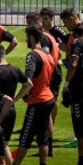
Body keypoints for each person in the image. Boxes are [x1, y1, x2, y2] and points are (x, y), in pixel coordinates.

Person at [10, 26, 56, 165]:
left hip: (38, 101)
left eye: (27, 37)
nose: (25, 40)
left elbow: (28, 81)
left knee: (25, 138)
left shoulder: (33, 56)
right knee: (42, 137)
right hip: (48, 98)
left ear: (33, 38)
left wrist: (15, 99)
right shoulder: (47, 54)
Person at [61, 24, 83, 165]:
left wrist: (66, 84)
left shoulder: (77, 43)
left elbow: (73, 64)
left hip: (78, 91)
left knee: (80, 129)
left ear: (74, 34)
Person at [27, 11, 60, 157]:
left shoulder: (44, 39)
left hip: (49, 75)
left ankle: (48, 147)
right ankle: (47, 146)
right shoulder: (49, 36)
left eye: (30, 24)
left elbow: (44, 57)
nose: (29, 29)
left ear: (38, 22)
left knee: (46, 115)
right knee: (47, 113)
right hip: (52, 73)